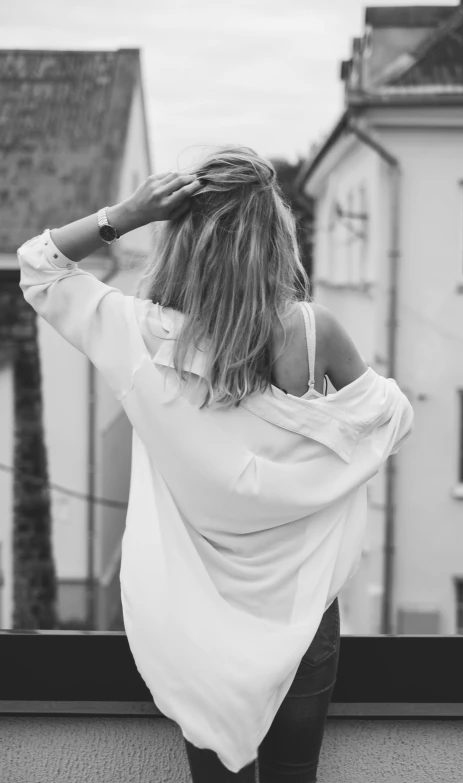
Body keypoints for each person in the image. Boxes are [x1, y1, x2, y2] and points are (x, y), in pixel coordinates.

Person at [17, 145, 414, 782]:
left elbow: (40, 267)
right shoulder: (314, 334)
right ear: (272, 237)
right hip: (302, 616)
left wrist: (129, 212)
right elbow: (391, 421)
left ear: (184, 240)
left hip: (196, 625)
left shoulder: (143, 337)